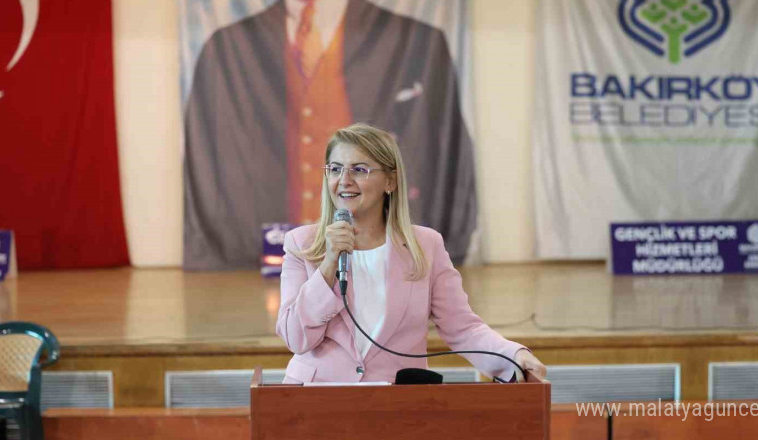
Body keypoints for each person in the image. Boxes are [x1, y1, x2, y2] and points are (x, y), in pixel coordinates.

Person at [184, 0, 477, 270]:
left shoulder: (421, 42)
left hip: (381, 266)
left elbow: (448, 156)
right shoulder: (225, 47)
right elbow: (206, 163)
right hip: (250, 278)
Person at [276, 123, 546, 383]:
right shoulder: (302, 244)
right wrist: (328, 265)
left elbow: (462, 328)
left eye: (359, 169)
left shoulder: (425, 245)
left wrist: (513, 354)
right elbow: (296, 339)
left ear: (390, 181)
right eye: (335, 169)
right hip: (316, 399)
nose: (344, 180)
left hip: (397, 406)